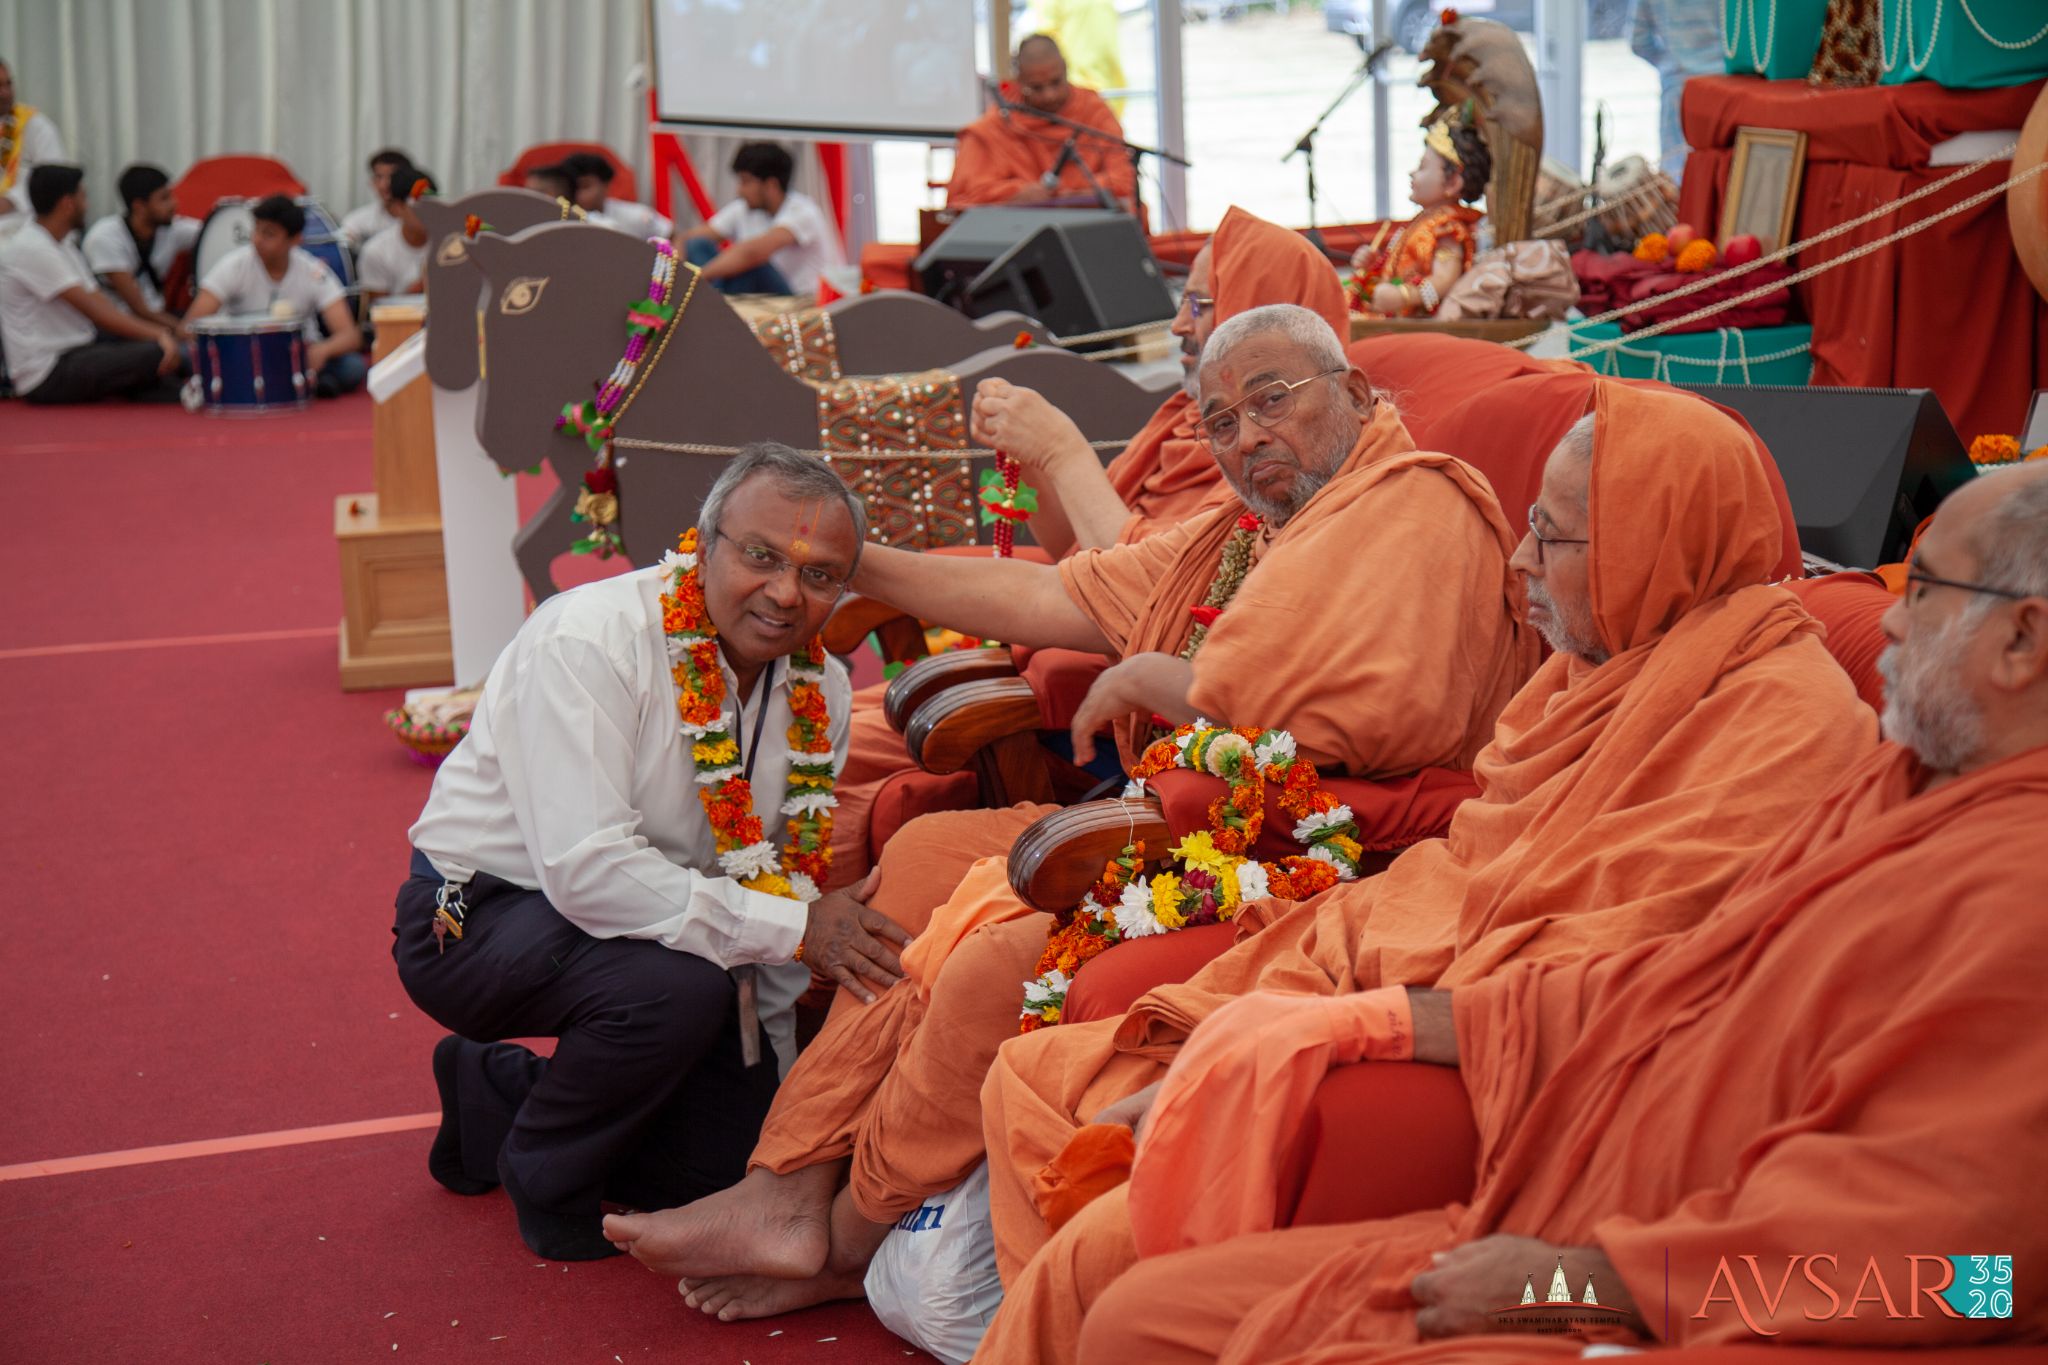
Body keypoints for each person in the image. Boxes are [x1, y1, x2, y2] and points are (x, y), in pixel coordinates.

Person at [599, 302, 1544, 1320]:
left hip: (1320, 843)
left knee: (988, 961)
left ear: (1354, 395)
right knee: (921, 858)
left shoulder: (1417, 508)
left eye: (1270, 400)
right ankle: (785, 1180)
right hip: (1179, 810)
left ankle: (840, 1234)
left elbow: (1371, 715)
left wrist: (1175, 682)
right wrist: (828, 560)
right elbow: (1053, 600)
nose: (1247, 437)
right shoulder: (1248, 532)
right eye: (1218, 422)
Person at [973, 382, 1881, 1361]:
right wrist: (1294, 1005)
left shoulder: (1786, 728)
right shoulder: (1592, 670)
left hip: (1556, 1113)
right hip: (1434, 996)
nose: (1519, 561)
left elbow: (1630, 972)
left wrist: (1326, 1034)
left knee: (1113, 1279)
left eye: (1555, 537)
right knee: (1036, 1070)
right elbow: (1475, 868)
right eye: (1530, 524)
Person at [396, 444, 911, 1261]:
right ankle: (545, 1175)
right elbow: (586, 870)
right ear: (703, 546)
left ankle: (490, 1093)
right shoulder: (589, 639)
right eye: (761, 556)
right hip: (478, 915)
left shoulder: (825, 691)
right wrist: (796, 930)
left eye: (819, 575)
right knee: (675, 990)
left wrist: (775, 1107)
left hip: (672, 933)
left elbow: (776, 887)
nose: (785, 593)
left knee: (720, 1163)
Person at [826, 206, 1350, 886]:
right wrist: (1035, 461)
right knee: (812, 746)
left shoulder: (1280, 475)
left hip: (1096, 720)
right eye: (1182, 303)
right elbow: (1081, 557)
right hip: (1054, 665)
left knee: (846, 779)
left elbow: (1150, 605)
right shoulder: (1186, 424)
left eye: (1199, 303)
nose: (1178, 326)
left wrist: (1059, 447)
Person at [0, 165, 182, 403]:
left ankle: (170, 387)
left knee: (152, 352)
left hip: (79, 348)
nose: (86, 205)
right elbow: (98, 314)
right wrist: (159, 335)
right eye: (83, 197)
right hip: (48, 372)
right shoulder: (32, 248)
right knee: (154, 352)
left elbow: (102, 303)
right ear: (68, 203)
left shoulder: (62, 243)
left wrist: (158, 335)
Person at [185, 194, 365, 397]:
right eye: (257, 231)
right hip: (243, 353)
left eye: (269, 234)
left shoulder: (313, 271)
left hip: (298, 354)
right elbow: (190, 326)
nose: (257, 240)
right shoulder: (234, 266)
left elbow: (350, 336)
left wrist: (322, 351)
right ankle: (311, 383)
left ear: (295, 240)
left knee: (353, 367)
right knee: (185, 356)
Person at [948, 34, 1137, 211]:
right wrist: (1017, 195)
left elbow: (1122, 182)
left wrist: (1059, 195)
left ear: (1066, 69)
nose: (1049, 95)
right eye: (1036, 88)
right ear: (1019, 80)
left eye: (1056, 83)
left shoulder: (1092, 111)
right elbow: (963, 200)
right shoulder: (996, 126)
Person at [1348, 117, 1489, 317]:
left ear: (1453, 182)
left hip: (1416, 320)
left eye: (1422, 167)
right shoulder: (1423, 221)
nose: (1412, 173)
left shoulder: (1448, 228)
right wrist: (1374, 266)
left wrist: (1404, 296)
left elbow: (1444, 278)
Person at [677, 142, 844, 296]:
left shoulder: (804, 212)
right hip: (757, 293)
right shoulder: (744, 209)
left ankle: (706, 299)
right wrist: (677, 274)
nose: (739, 191)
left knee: (751, 267)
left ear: (771, 185)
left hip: (799, 299)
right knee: (697, 245)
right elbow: (686, 238)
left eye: (746, 182)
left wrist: (698, 277)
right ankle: (704, 298)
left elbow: (751, 254)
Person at [81, 163, 200, 328]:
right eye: (164, 198)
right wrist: (185, 330)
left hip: (158, 316)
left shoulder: (171, 229)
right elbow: (139, 309)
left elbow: (212, 233)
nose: (174, 204)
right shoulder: (105, 238)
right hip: (120, 326)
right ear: (139, 206)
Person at [356, 166, 435, 307]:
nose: (426, 213)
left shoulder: (450, 242)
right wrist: (417, 289)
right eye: (418, 206)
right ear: (398, 207)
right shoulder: (376, 251)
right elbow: (379, 312)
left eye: (431, 205)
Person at [0, 59, 67, 222]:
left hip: (26, 227)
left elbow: (55, 179)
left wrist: (10, 201)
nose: (6, 93)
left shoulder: (35, 126)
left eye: (8, 84)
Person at [563, 150, 675, 241]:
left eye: (585, 186)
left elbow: (672, 235)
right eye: (573, 187)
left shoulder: (637, 215)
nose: (578, 194)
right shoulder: (561, 217)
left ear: (605, 185)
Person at [339, 147, 413, 246]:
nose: (384, 185)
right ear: (372, 182)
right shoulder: (360, 218)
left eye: (392, 177)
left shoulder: (422, 218)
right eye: (379, 177)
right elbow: (342, 242)